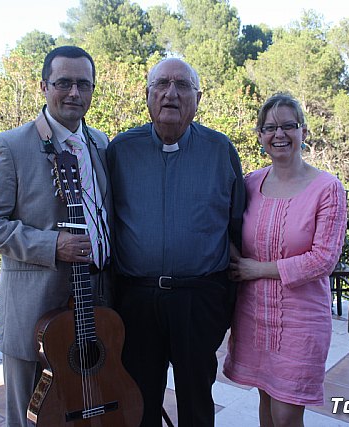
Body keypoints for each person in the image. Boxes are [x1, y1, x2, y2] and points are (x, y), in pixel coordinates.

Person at [0, 46, 112, 427]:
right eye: (63, 83)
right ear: (44, 86)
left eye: (83, 84)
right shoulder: (11, 146)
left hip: (93, 306)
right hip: (35, 319)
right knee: (31, 419)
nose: (73, 93)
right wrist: (53, 245)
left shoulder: (100, 143)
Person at [107, 58, 245, 426]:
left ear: (198, 98)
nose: (171, 93)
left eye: (182, 85)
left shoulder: (220, 150)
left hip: (199, 299)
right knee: (139, 398)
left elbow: (237, 223)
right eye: (162, 84)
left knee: (197, 397)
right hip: (136, 300)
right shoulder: (120, 151)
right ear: (147, 94)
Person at [223, 93, 348, 427]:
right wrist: (235, 258)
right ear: (260, 135)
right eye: (269, 128)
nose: (279, 134)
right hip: (253, 315)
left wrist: (257, 269)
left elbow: (324, 259)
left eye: (288, 126)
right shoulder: (251, 182)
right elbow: (230, 228)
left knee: (287, 414)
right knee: (265, 399)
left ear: (303, 131)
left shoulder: (327, 188)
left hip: (301, 321)